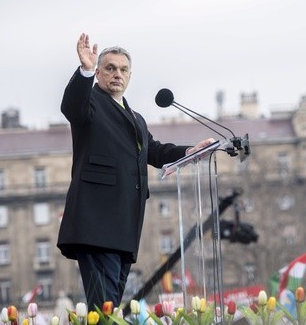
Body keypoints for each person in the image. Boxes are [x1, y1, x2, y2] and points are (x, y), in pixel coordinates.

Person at [57, 33, 214, 311]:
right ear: (99, 73)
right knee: (103, 308)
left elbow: (153, 151)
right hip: (96, 225)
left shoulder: (136, 118)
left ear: (130, 75)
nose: (117, 74)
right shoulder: (90, 104)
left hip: (125, 226)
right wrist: (85, 70)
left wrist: (189, 153)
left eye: (123, 69)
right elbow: (72, 106)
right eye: (110, 68)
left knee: (111, 308)